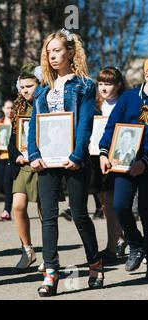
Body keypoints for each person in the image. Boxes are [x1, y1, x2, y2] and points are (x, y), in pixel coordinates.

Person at [28, 29, 103, 297]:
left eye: (57, 50)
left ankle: (95, 264)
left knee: (80, 214)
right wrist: (33, 154)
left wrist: (76, 155)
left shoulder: (85, 84)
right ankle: (51, 272)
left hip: (74, 159)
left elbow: (85, 123)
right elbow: (34, 125)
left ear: (70, 52)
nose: (52, 56)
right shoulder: (43, 89)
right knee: (48, 217)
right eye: (48, 52)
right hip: (47, 160)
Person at [99, 58, 148, 278]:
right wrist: (103, 152)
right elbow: (112, 126)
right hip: (123, 162)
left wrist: (145, 162)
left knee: (147, 212)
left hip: (146, 163)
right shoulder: (129, 98)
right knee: (120, 206)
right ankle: (137, 245)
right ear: (146, 74)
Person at [7, 63, 43, 270]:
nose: (25, 90)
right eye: (22, 87)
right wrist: (17, 156)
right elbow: (13, 139)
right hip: (23, 166)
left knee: (44, 212)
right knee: (18, 206)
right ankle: (27, 250)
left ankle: (49, 253)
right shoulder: (19, 107)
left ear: (39, 83)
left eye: (29, 86)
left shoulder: (45, 103)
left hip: (42, 164)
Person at [94, 66, 127, 264]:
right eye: (100, 84)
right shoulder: (94, 104)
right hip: (94, 157)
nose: (103, 88)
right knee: (105, 204)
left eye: (108, 84)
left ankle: (111, 247)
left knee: (113, 202)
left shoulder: (124, 104)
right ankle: (123, 238)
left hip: (118, 157)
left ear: (118, 85)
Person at [0, 100, 14, 221]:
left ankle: (7, 211)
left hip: (12, 157)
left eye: (12, 108)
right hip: (0, 157)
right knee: (0, 184)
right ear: (3, 109)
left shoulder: (17, 122)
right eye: (7, 108)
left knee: (6, 183)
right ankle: (12, 200)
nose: (10, 110)